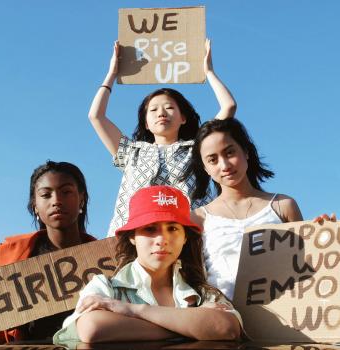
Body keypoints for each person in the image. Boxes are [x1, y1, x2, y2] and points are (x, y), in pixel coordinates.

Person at [53, 186, 243, 345]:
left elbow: (227, 328)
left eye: (173, 229)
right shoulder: (105, 287)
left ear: (185, 237)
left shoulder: (202, 293)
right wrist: (192, 324)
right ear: (132, 237)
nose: (162, 239)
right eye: (150, 229)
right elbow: (92, 328)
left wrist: (131, 310)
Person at [88, 39, 237, 236]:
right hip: (135, 239)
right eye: (154, 110)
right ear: (146, 124)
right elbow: (96, 116)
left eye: (169, 108)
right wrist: (112, 74)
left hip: (187, 237)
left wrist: (209, 71)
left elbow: (228, 106)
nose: (162, 113)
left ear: (183, 118)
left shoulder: (197, 149)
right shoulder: (131, 152)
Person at [183, 118, 305, 300]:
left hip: (285, 318)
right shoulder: (198, 218)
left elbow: (306, 263)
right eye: (213, 160)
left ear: (246, 152)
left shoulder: (283, 205)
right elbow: (194, 279)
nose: (224, 165)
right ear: (205, 168)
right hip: (228, 320)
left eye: (230, 152)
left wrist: (324, 232)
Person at [0, 161, 96, 343]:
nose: (56, 201)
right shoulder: (9, 253)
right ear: (35, 206)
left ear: (82, 199)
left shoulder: (106, 258)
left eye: (66, 192)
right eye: (46, 195)